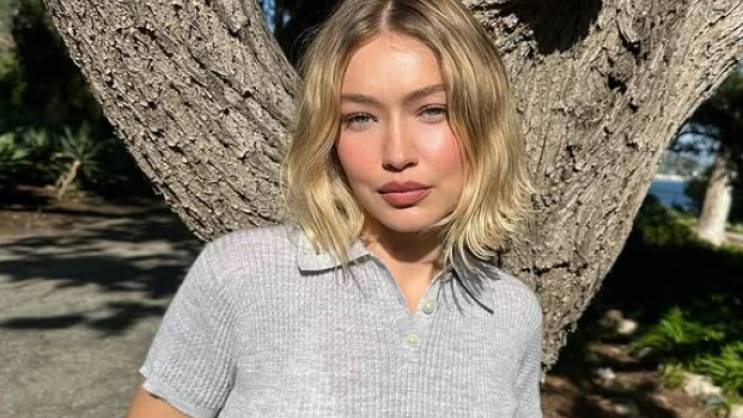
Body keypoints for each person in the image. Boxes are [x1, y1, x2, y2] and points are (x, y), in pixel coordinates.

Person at [125, 0, 542, 416]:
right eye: (360, 117)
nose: (397, 154)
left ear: (483, 122)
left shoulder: (512, 312)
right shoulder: (239, 274)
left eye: (432, 111)